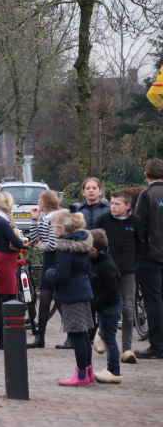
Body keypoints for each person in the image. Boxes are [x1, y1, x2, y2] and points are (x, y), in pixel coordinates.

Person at [45, 211, 94, 385]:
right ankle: (88, 372)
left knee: (77, 335)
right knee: (83, 335)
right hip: (83, 291)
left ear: (61, 228)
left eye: (52, 227)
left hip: (71, 295)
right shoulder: (82, 242)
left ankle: (81, 375)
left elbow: (61, 276)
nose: (52, 230)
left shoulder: (64, 247)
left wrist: (49, 273)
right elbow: (87, 270)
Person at [96, 189, 145, 362]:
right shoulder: (104, 219)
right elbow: (96, 242)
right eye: (112, 203)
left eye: (117, 204)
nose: (113, 207)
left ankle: (127, 349)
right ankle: (100, 334)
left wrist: (134, 263)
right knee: (106, 304)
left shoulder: (135, 220)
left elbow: (140, 243)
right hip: (107, 271)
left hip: (128, 271)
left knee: (128, 308)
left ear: (127, 206)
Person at [0, 192, 28, 350]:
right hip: (4, 261)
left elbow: (15, 242)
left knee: (8, 298)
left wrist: (18, 244)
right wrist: (23, 244)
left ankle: (6, 339)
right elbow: (19, 243)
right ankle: (1, 341)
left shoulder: (0, 219)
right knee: (3, 300)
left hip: (6, 260)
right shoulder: (1, 221)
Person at [134, 158, 163, 360]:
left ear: (146, 175)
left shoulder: (146, 194)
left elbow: (138, 226)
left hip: (151, 255)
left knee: (153, 300)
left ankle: (158, 345)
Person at [26, 190, 61, 349]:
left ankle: (74, 335)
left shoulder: (55, 218)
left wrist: (41, 246)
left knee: (60, 300)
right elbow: (34, 239)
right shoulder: (45, 218)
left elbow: (53, 245)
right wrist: (34, 220)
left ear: (43, 202)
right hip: (48, 262)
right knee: (45, 300)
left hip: (56, 262)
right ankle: (40, 337)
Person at [88, 228, 123, 383]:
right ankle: (111, 367)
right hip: (105, 306)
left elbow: (113, 291)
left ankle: (114, 371)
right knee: (107, 336)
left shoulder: (106, 265)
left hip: (109, 307)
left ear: (94, 250)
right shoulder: (98, 260)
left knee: (109, 339)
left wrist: (96, 303)